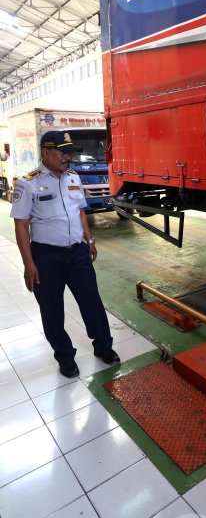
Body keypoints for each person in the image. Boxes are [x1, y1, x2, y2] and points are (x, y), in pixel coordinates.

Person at [10, 130, 120, 378]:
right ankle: (65, 357)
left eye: (70, 153)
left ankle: (104, 346)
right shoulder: (28, 183)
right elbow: (21, 225)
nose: (68, 157)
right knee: (52, 309)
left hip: (78, 253)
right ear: (45, 152)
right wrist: (29, 264)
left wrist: (89, 240)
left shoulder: (73, 177)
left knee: (92, 301)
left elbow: (80, 211)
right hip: (46, 257)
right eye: (62, 153)